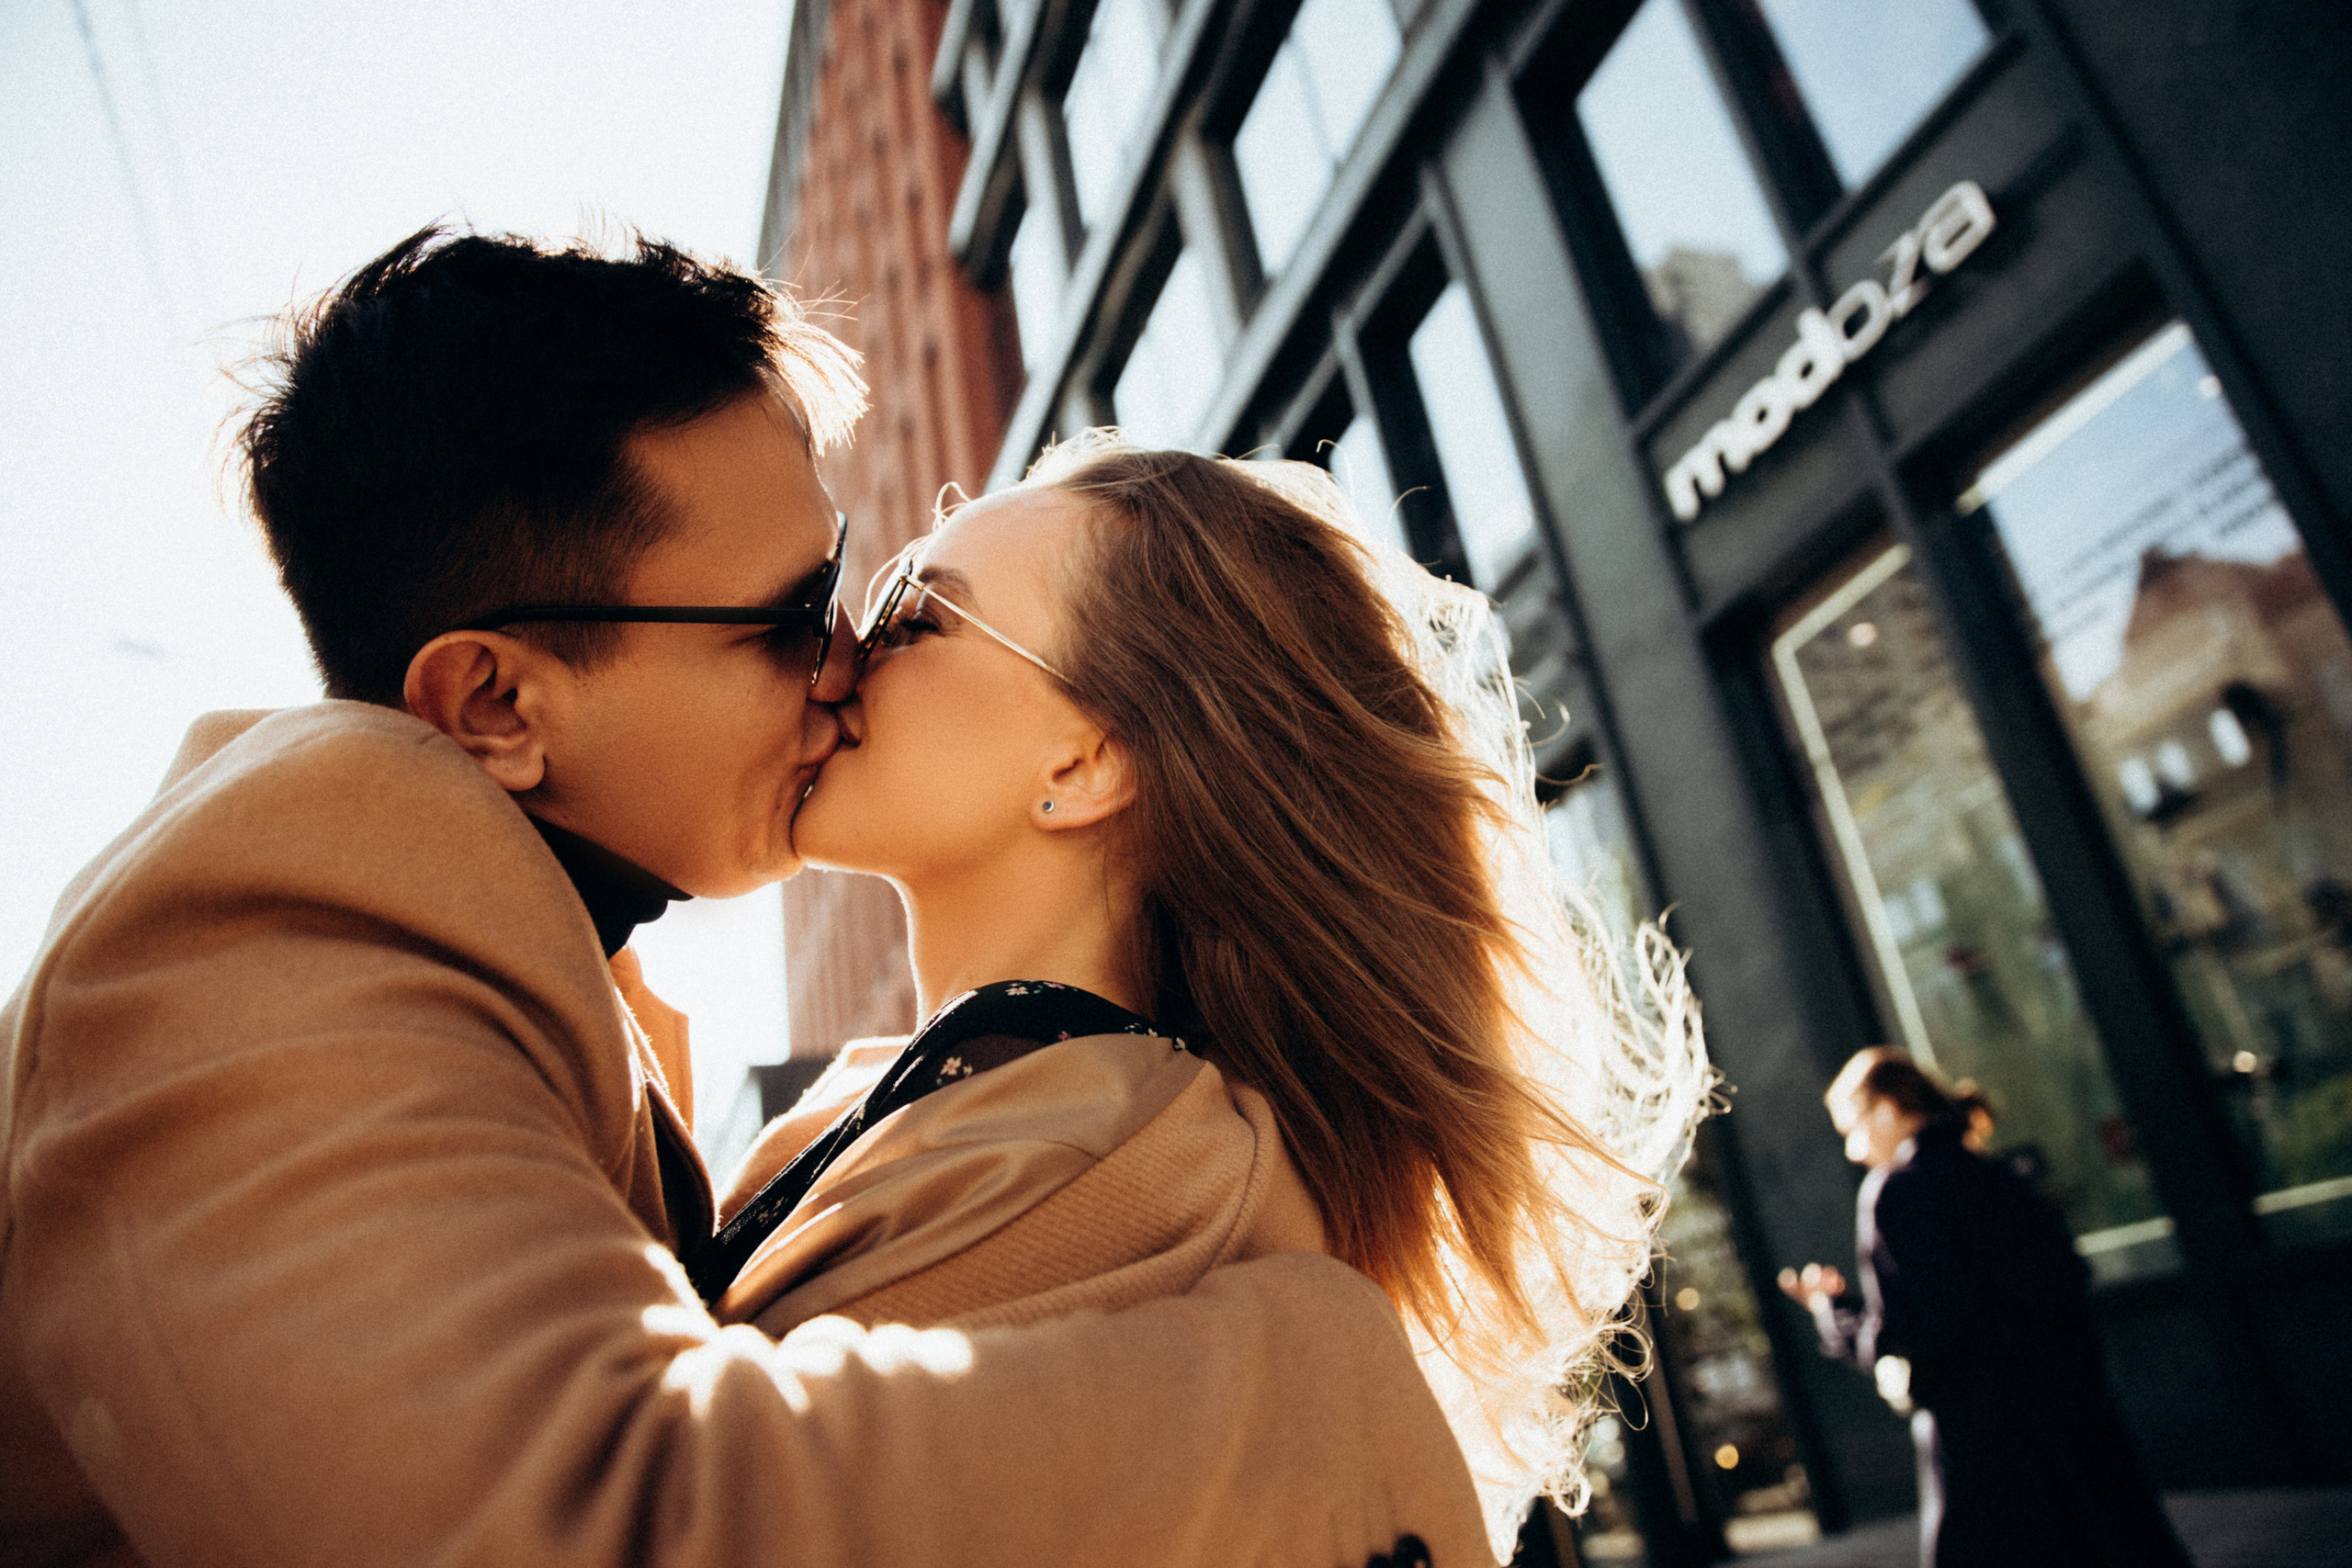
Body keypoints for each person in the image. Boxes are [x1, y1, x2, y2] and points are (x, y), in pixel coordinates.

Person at [1, 231, 1501, 1566]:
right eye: (796, 615)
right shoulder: (293, 897)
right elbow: (589, 1510)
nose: (842, 655)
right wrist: (1310, 1390)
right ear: (499, 701)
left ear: (1091, 760)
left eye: (884, 604)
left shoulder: (1096, 1124)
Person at [699, 434, 1712, 1562]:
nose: (836, 659)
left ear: (1084, 764)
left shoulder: (1113, 1159)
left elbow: (637, 1502)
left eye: (912, 618)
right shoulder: (979, 1094)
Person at [1780, 1048, 2191, 1568]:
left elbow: (1911, 1329)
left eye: (1851, 1128)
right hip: (2078, 1430)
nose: (1854, 1150)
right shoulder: (2000, 1178)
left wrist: (1829, 1310)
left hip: (1983, 1448)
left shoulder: (1895, 1191)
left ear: (1885, 1109)